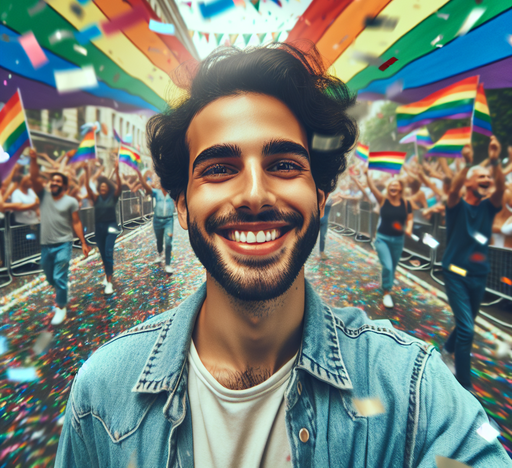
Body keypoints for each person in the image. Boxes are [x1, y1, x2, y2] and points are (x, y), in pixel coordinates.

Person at [55, 45, 511, 468]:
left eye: (285, 165)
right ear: (180, 205)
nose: (254, 194)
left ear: (321, 195)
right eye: (218, 169)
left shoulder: (412, 390)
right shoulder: (100, 392)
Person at [441, 137, 505, 392]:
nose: (487, 181)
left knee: (465, 323)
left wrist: (495, 161)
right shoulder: (456, 205)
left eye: (488, 179)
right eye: (481, 177)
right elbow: (454, 190)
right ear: (468, 180)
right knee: (467, 329)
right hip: (455, 273)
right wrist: (468, 163)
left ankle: (445, 350)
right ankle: (465, 388)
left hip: (479, 275)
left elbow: (500, 188)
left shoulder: (490, 207)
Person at [29, 148, 91, 325]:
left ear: (64, 186)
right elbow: (34, 178)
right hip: (46, 245)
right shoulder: (44, 196)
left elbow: (76, 222)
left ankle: (61, 307)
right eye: (53, 180)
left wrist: (83, 242)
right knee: (50, 277)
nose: (54, 182)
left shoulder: (70, 202)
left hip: (64, 244)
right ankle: (61, 291)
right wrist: (34, 160)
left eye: (58, 181)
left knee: (59, 277)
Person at [364, 168, 413, 309]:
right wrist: (368, 176)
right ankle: (386, 292)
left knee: (393, 267)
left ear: (401, 188)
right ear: (388, 188)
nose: (393, 187)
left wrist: (409, 227)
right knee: (388, 266)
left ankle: (387, 283)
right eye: (391, 185)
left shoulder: (406, 203)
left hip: (398, 240)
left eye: (396, 185)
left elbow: (410, 219)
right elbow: (372, 188)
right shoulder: (383, 200)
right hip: (382, 239)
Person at [83, 160, 122, 295]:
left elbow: (120, 187)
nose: (103, 188)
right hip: (99, 228)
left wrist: (116, 171)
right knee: (103, 254)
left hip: (111, 227)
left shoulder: (113, 197)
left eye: (105, 187)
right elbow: (87, 187)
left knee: (108, 252)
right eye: (101, 187)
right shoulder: (95, 198)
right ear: (99, 189)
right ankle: (108, 273)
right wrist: (87, 172)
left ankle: (109, 282)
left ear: (108, 189)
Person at [137, 168, 175, 274]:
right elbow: (145, 186)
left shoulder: (173, 194)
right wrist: (141, 176)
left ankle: (167, 264)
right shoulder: (156, 193)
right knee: (159, 240)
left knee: (168, 242)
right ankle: (159, 254)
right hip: (157, 221)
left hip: (168, 221)